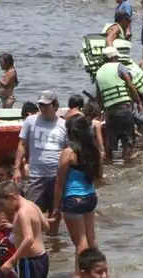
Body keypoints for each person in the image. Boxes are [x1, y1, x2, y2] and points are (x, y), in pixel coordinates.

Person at [50, 115, 101, 275]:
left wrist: (56, 207)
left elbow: (59, 182)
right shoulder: (94, 151)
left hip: (73, 199)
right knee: (91, 240)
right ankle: (99, 270)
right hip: (90, 197)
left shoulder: (68, 153)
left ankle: (80, 274)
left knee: (81, 242)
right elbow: (99, 177)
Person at [13, 90, 67, 237]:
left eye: (46, 105)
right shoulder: (31, 121)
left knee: (55, 211)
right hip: (36, 175)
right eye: (40, 105)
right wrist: (17, 168)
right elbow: (22, 145)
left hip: (57, 177)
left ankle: (54, 241)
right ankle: (34, 240)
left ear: (55, 105)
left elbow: (68, 151)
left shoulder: (64, 124)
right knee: (31, 210)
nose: (42, 108)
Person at [93, 46, 142, 162]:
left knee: (111, 139)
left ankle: (109, 162)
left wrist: (100, 111)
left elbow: (99, 95)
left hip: (110, 112)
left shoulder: (98, 73)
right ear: (114, 57)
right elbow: (130, 85)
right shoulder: (120, 67)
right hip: (124, 109)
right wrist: (138, 102)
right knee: (127, 140)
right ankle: (126, 163)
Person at [0, 181, 50, 278]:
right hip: (41, 258)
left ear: (11, 197)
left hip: (30, 260)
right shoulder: (32, 205)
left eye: (2, 204)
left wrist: (11, 261)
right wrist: (16, 227)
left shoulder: (22, 213)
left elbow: (29, 239)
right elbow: (46, 227)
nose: (2, 209)